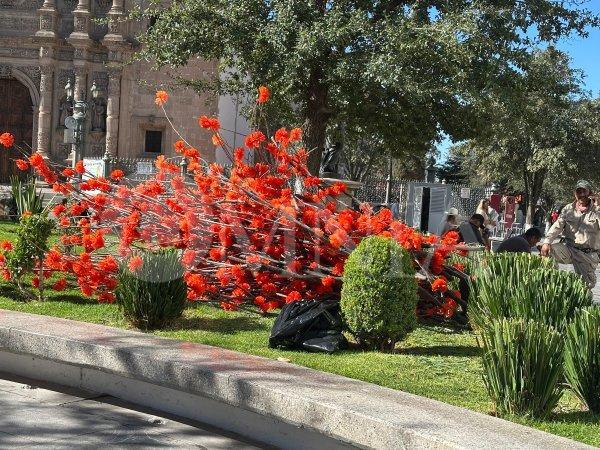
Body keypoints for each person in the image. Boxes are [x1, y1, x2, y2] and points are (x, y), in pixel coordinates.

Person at [540, 180, 600, 288]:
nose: (581, 194)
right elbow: (557, 226)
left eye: (584, 191)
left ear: (590, 193)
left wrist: (598, 208)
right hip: (569, 249)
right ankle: (553, 285)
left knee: (585, 288)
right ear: (575, 194)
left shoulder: (597, 209)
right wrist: (547, 242)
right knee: (549, 251)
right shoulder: (568, 208)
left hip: (587, 254)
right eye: (578, 191)